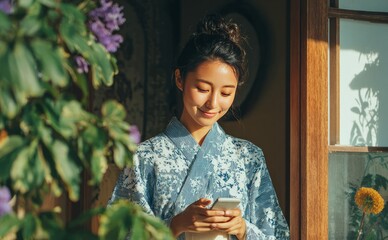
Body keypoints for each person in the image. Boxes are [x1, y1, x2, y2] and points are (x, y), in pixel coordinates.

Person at [109, 14, 290, 240]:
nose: (213, 103)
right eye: (203, 88)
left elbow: (278, 236)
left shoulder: (248, 158)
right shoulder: (144, 157)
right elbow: (116, 233)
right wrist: (174, 226)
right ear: (179, 79)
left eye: (226, 93)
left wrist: (243, 229)